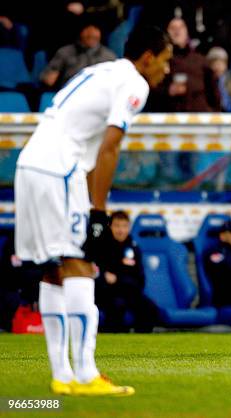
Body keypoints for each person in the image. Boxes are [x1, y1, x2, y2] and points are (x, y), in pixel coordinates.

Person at [14, 26, 172, 395]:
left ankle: (62, 376)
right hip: (58, 169)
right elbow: (109, 148)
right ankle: (86, 376)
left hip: (30, 165)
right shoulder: (136, 83)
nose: (166, 71)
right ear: (147, 57)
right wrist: (98, 212)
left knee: (54, 270)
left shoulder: (100, 70)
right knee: (81, 263)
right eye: (164, 62)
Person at [95, 211, 159, 333]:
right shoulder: (101, 247)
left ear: (129, 227)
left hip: (130, 292)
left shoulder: (134, 248)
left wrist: (118, 279)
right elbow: (99, 274)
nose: (121, 230)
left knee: (150, 308)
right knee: (117, 306)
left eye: (124, 226)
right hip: (107, 294)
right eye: (117, 226)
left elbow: (140, 280)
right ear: (110, 226)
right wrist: (106, 277)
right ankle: (115, 342)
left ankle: (142, 343)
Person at [40, 23, 116, 90]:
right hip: (70, 95)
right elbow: (48, 81)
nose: (91, 34)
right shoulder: (65, 52)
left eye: (95, 29)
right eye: (87, 29)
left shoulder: (109, 56)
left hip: (98, 97)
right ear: (80, 32)